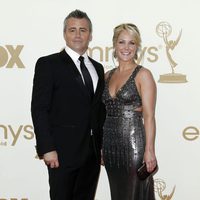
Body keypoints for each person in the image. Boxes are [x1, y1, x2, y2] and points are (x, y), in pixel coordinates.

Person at [31, 9, 105, 200]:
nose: (78, 35)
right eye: (72, 30)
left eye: (83, 30)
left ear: (90, 35)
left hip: (92, 154)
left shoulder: (97, 68)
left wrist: (102, 146)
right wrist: (47, 148)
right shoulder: (49, 64)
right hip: (62, 154)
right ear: (65, 34)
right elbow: (39, 109)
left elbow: (98, 110)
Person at [102, 23, 157, 200]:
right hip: (110, 145)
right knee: (117, 194)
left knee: (133, 193)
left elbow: (149, 117)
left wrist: (149, 150)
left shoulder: (143, 74)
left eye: (131, 43)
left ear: (137, 46)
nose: (126, 48)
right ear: (115, 45)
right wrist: (101, 146)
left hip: (134, 145)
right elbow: (102, 113)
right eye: (122, 42)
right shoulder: (107, 75)